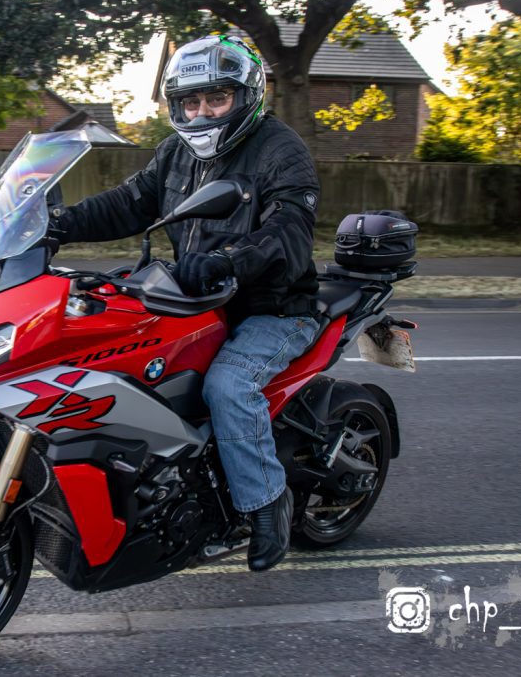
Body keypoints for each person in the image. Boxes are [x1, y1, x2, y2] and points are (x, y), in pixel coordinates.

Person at [48, 34, 321, 572]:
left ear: (245, 97)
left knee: (228, 386)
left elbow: (288, 233)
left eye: (215, 99)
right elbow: (128, 202)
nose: (201, 112)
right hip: (194, 299)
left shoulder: (279, 149)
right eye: (189, 102)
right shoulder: (175, 152)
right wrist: (58, 225)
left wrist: (228, 260)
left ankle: (267, 504)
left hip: (272, 307)